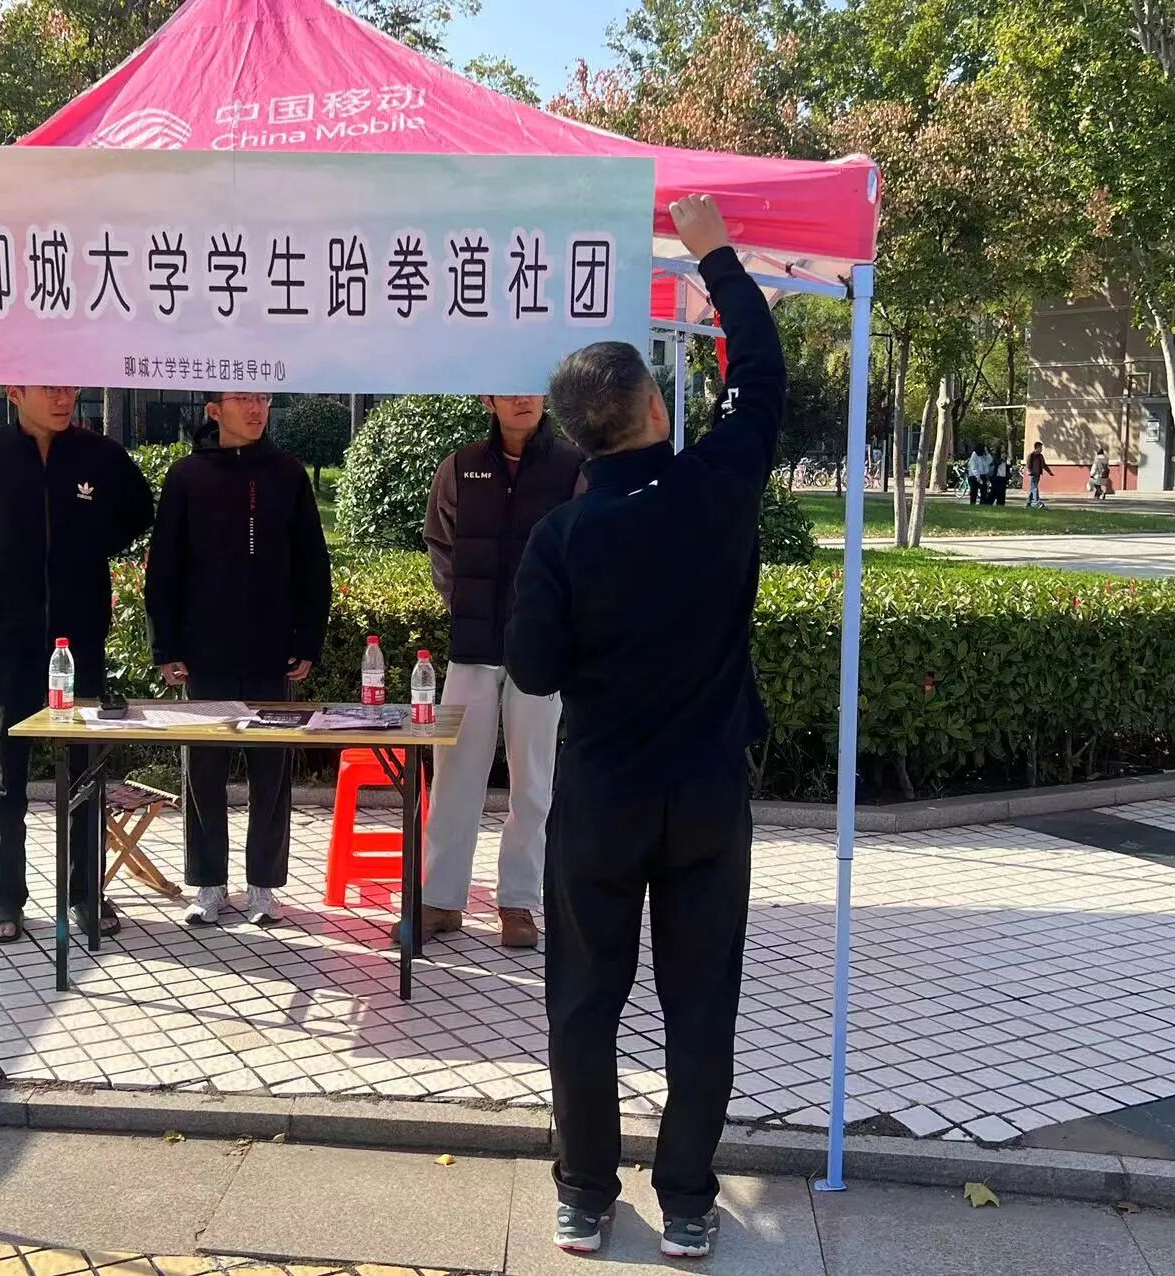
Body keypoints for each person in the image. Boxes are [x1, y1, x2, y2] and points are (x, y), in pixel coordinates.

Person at [505, 194, 780, 1262]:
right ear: (656, 407)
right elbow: (762, 376)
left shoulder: (561, 536)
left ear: (579, 433)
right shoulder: (718, 485)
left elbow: (532, 672)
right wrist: (716, 256)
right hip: (707, 792)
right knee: (700, 1005)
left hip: (602, 797)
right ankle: (690, 1201)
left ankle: (584, 1194)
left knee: (584, 1000)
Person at [0, 386, 153, 944]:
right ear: (15, 392)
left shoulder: (102, 455)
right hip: (10, 638)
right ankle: (5, 897)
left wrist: (88, 545)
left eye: (69, 386)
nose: (62, 396)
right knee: (5, 776)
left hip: (81, 639)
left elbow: (139, 512)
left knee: (85, 774)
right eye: (48, 386)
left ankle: (85, 893)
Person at [401, 394, 583, 951]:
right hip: (472, 646)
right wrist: (461, 600)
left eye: (530, 388)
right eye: (508, 390)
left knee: (533, 781)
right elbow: (439, 541)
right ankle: (440, 899)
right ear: (488, 399)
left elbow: (586, 548)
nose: (522, 399)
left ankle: (518, 902)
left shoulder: (573, 468)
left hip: (540, 651)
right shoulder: (460, 467)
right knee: (454, 775)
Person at [144, 391, 331, 928]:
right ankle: (208, 884)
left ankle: (264, 886)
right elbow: (165, 568)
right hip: (205, 652)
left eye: (262, 398)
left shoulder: (288, 473)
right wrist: (167, 647)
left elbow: (312, 564)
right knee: (203, 769)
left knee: (271, 772)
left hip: (272, 651)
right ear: (214, 410)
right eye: (242, 399)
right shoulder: (187, 476)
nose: (256, 409)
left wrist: (307, 640)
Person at [1026, 440, 1050, 508]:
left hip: (1038, 474)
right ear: (1037, 448)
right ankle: (1038, 502)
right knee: (1035, 488)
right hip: (1033, 474)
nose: (1041, 449)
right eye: (1040, 448)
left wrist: (1049, 472)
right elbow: (1028, 464)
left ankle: (1028, 503)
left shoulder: (1040, 456)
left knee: (1032, 488)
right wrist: (1029, 471)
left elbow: (1044, 465)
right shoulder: (1031, 455)